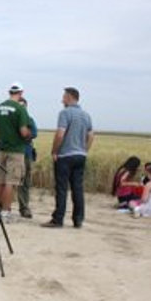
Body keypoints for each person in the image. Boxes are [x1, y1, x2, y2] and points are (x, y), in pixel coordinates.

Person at [44, 87, 94, 228]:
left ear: (70, 97)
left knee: (61, 188)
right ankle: (78, 219)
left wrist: (54, 151)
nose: (62, 100)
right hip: (80, 155)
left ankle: (58, 219)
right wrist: (84, 149)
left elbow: (60, 133)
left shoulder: (65, 113)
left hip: (65, 155)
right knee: (77, 188)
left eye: (64, 97)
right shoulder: (86, 115)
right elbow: (91, 135)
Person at [0, 83, 31, 223]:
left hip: (0, 149)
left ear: (9, 92)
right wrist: (28, 134)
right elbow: (23, 131)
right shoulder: (20, 109)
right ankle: (5, 212)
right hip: (15, 150)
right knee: (10, 182)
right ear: (21, 93)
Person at [16, 97, 38, 218]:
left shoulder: (29, 120)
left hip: (26, 154)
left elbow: (34, 133)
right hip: (12, 153)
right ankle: (2, 206)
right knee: (7, 181)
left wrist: (23, 135)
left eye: (23, 106)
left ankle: (24, 207)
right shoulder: (10, 120)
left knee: (25, 182)